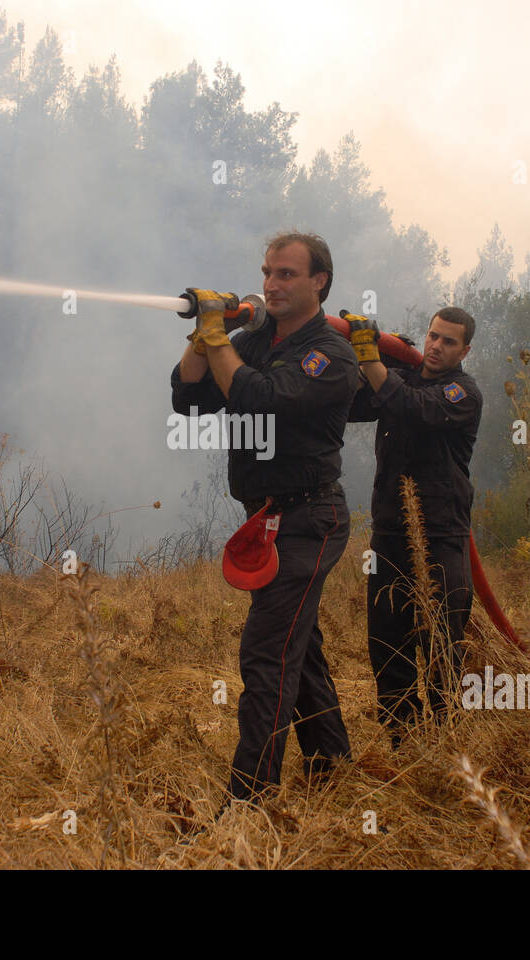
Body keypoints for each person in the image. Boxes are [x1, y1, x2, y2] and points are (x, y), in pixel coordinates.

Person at [170, 232, 358, 803]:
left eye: (286, 274)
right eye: (267, 272)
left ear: (319, 280)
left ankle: (248, 802)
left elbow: (260, 400)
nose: (271, 284)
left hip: (310, 519)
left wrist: (218, 335)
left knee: (267, 655)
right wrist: (208, 337)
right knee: (297, 649)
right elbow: (188, 397)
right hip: (268, 519)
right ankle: (332, 766)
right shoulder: (252, 341)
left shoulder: (329, 353)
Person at [345, 307, 483, 747]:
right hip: (390, 530)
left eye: (448, 341)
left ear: (465, 350)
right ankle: (403, 742)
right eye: (432, 336)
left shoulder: (463, 392)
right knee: (388, 643)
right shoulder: (401, 376)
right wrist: (359, 359)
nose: (436, 346)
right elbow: (355, 405)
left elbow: (416, 409)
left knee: (442, 641)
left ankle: (446, 743)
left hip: (441, 534)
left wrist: (374, 360)